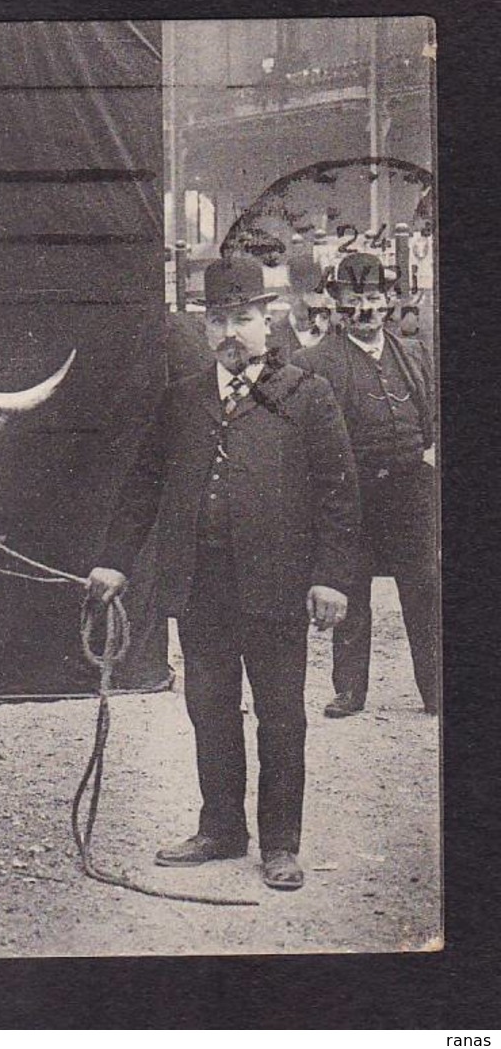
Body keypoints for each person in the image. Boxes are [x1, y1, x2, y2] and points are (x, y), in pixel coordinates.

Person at [88, 255, 360, 892]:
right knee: (208, 707)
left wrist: (332, 578)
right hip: (200, 585)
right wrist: (114, 560)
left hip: (278, 586)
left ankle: (281, 844)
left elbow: (338, 495)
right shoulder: (181, 398)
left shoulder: (307, 394)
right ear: (204, 329)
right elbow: (144, 484)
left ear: (270, 320)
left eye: (243, 318)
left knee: (281, 714)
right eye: (218, 321)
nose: (231, 333)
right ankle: (221, 829)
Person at [292, 251, 439, 717]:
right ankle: (350, 690)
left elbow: (431, 419)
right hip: (349, 496)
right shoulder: (314, 362)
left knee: (425, 588)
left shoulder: (413, 353)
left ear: (389, 302)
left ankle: (437, 689)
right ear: (335, 306)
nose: (365, 311)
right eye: (353, 302)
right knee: (350, 590)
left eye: (374, 299)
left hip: (410, 492)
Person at [266, 256, 333, 359]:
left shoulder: (338, 336)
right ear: (288, 290)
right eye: (298, 289)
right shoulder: (269, 337)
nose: (303, 298)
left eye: (310, 291)